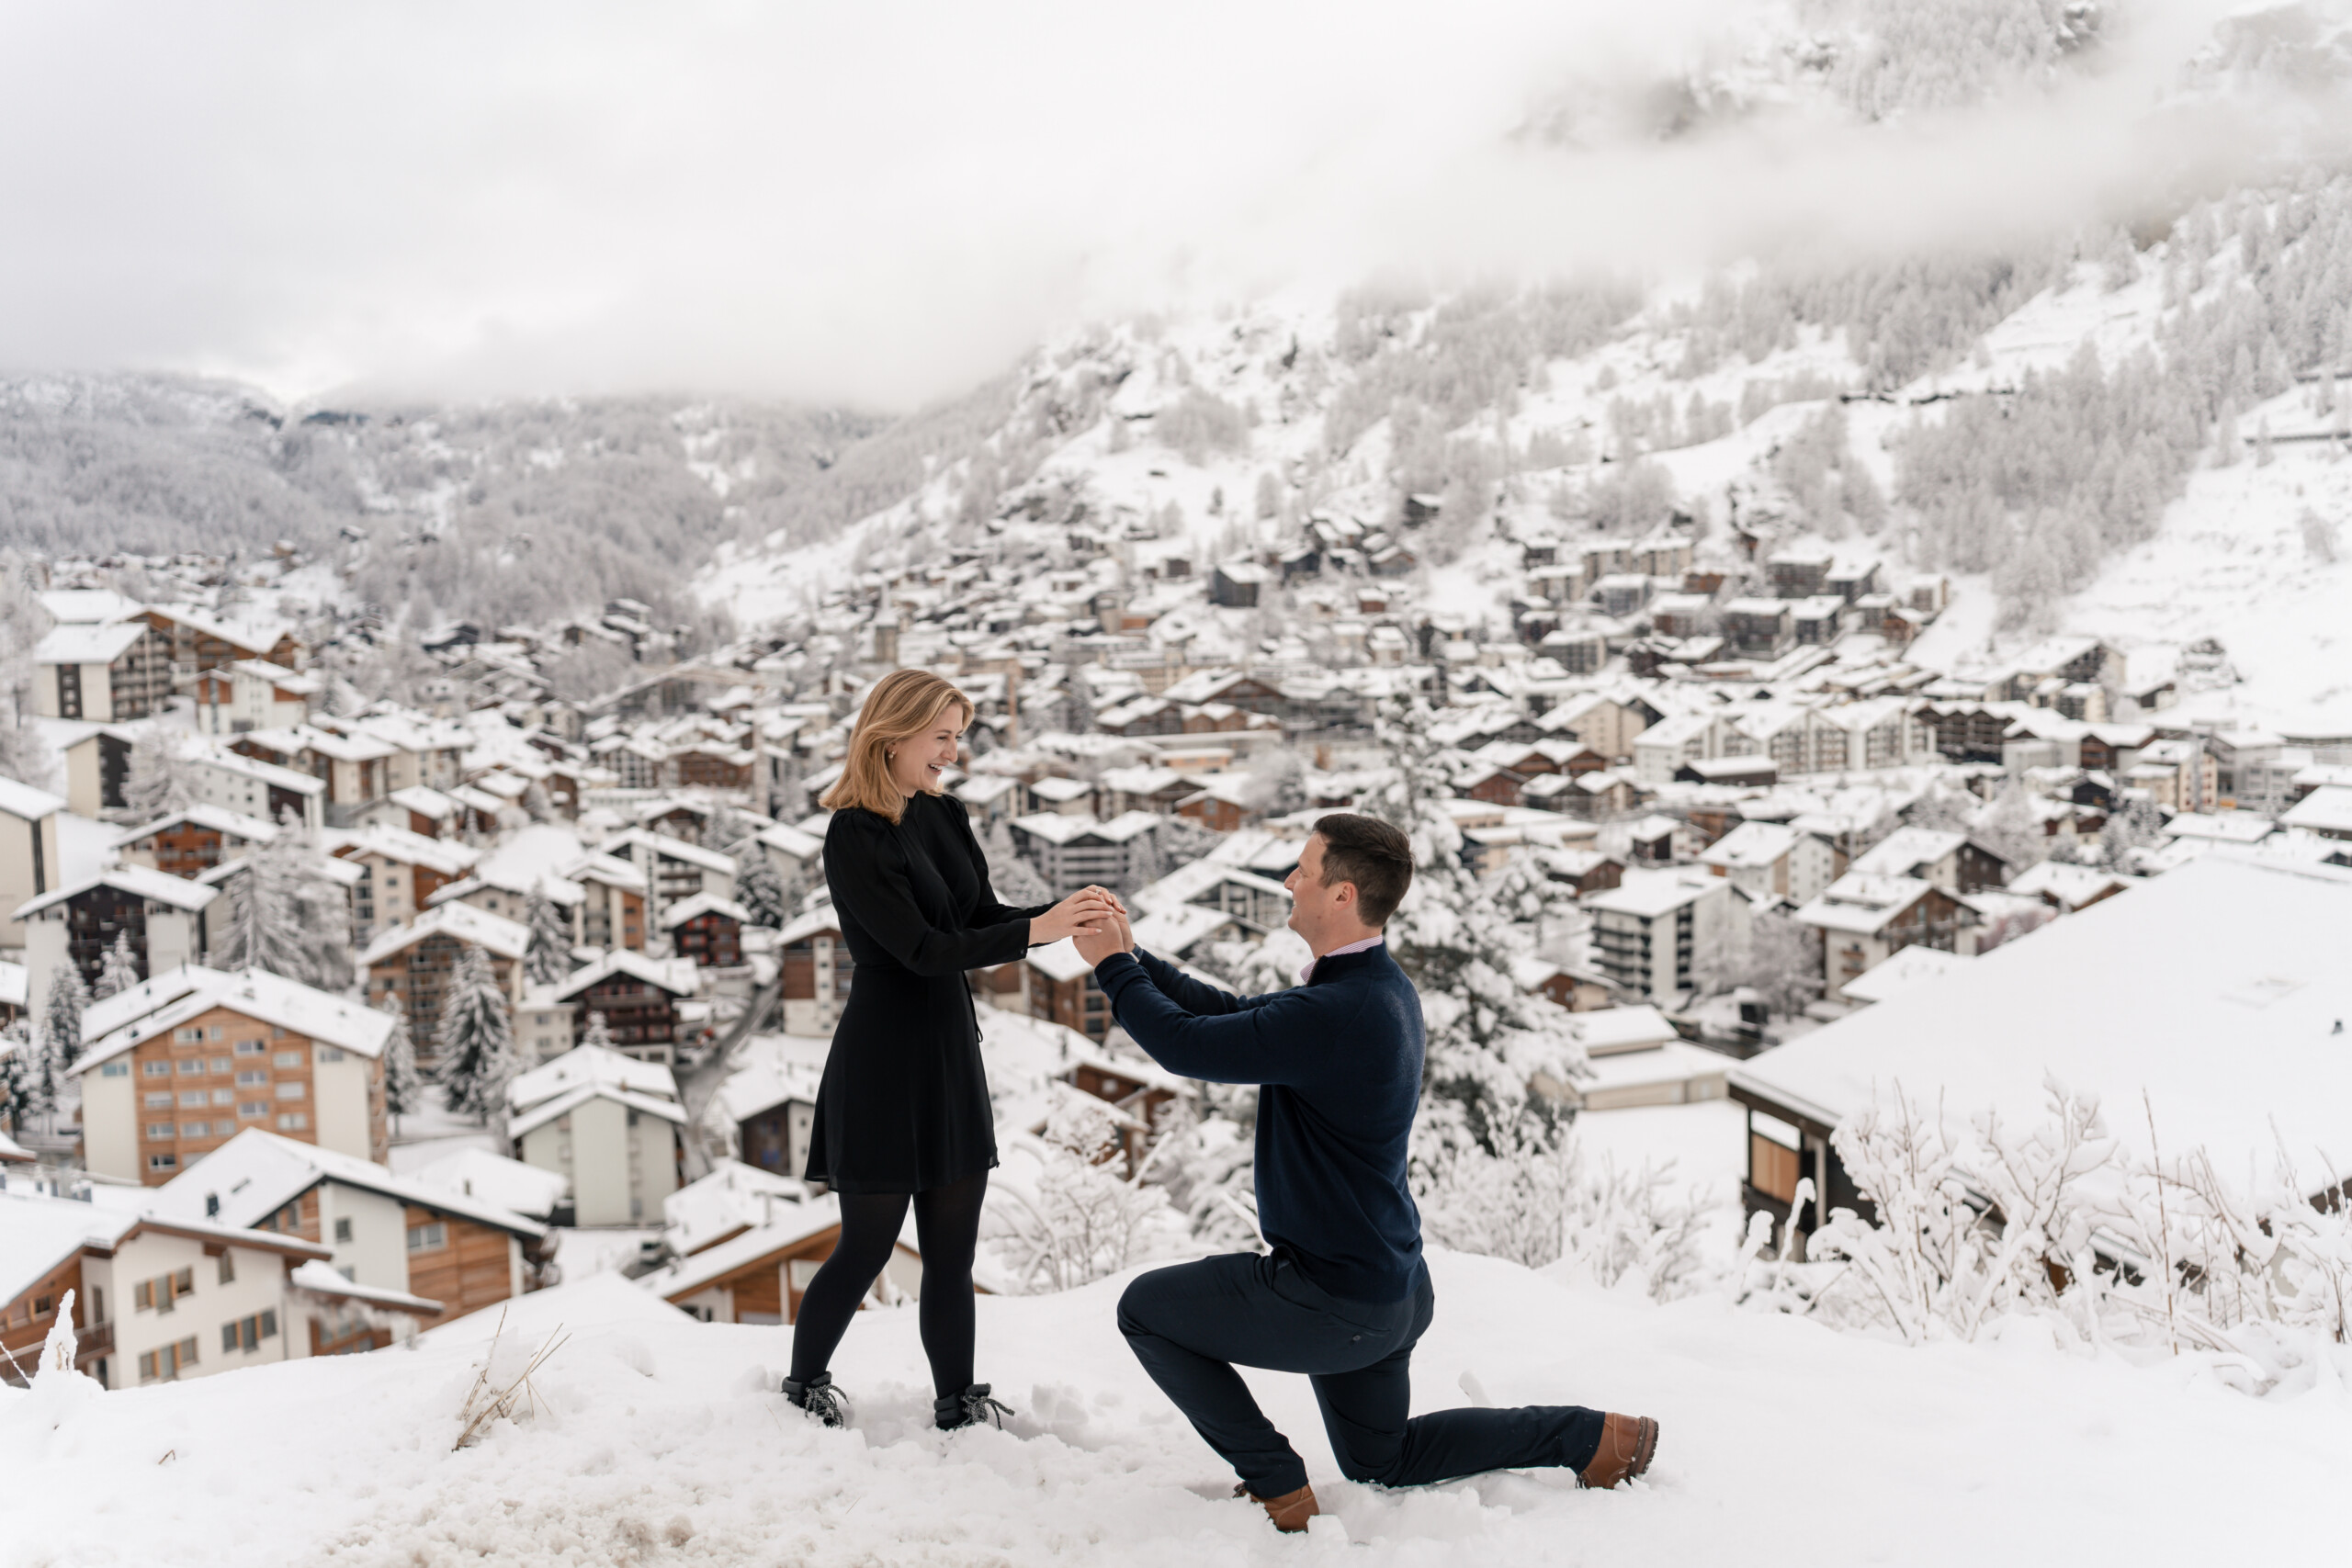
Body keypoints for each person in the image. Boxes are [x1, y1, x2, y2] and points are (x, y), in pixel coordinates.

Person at [1074, 811, 1658, 1532]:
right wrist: (1133, 955)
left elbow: (1186, 1046)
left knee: (1146, 1311)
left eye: (1304, 870)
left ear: (1343, 893)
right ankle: (1595, 1437)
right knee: (1383, 1458)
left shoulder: (1338, 1010)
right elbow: (1228, 1016)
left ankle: (1277, 1485)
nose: (1290, 880)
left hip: (1333, 1298)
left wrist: (1111, 967)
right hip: (1391, 1289)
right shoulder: (1371, 989)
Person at [786, 668, 1122, 1432]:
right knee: (867, 1245)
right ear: (892, 734)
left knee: (951, 1250)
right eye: (941, 736)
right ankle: (803, 1386)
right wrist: (1038, 929)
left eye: (958, 735)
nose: (952, 751)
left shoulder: (943, 814)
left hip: (947, 1048)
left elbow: (979, 916)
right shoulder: (855, 834)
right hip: (882, 1058)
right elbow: (922, 948)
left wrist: (1066, 915)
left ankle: (958, 1403)